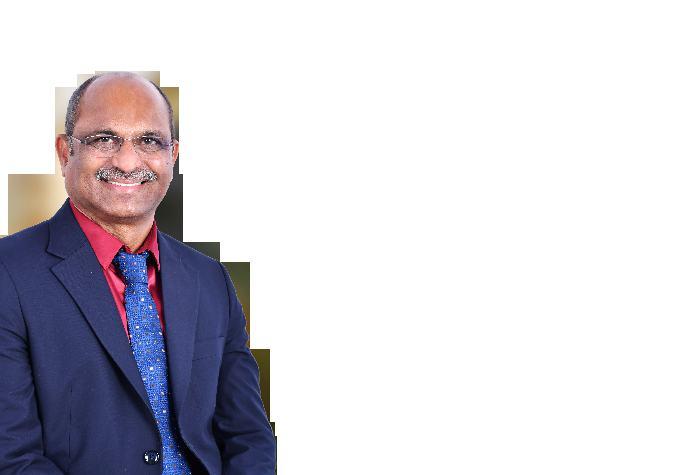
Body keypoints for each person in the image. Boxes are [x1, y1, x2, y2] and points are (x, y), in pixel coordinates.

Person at [0, 72, 276, 474]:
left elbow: (249, 437)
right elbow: (13, 459)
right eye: (104, 139)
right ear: (65, 153)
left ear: (173, 155)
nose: (127, 162)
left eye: (149, 141)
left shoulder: (210, 280)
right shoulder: (8, 274)